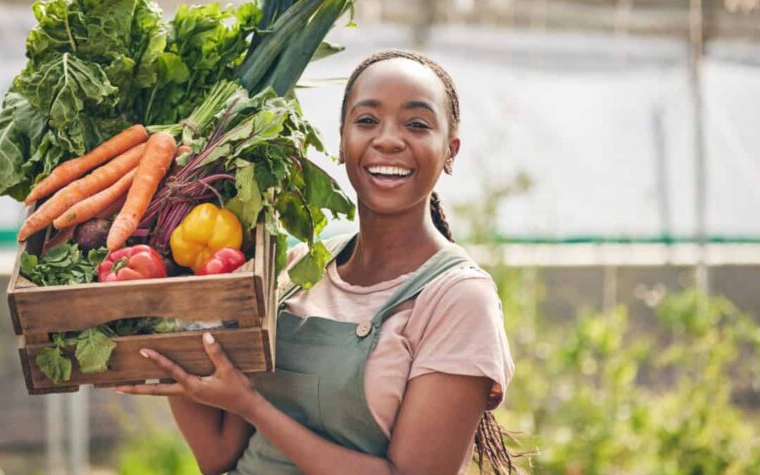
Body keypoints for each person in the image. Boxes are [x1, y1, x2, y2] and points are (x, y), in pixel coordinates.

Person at [116, 49, 517, 475]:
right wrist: (165, 331)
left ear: (450, 151)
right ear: (342, 142)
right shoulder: (296, 270)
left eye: (416, 124)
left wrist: (251, 405)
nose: (387, 139)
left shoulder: (457, 298)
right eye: (367, 121)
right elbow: (218, 455)